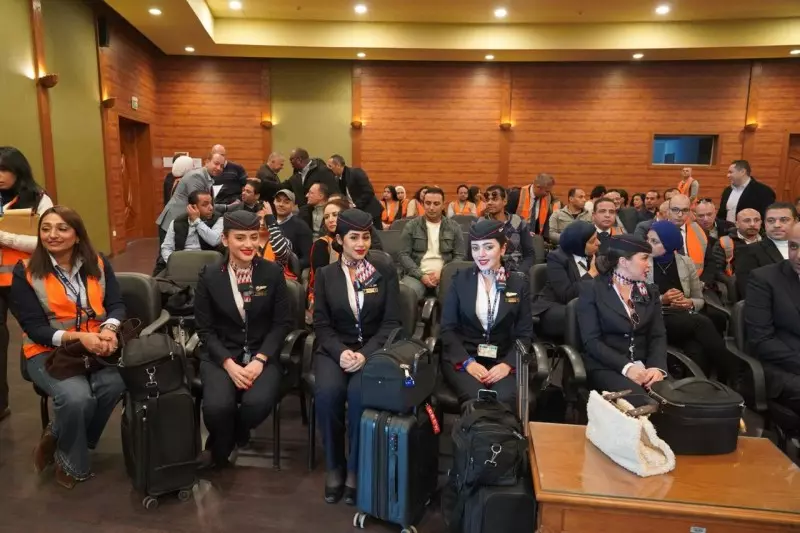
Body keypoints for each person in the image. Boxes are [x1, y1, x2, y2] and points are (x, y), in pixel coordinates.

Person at [11, 206, 125, 488]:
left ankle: (57, 432)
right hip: (46, 350)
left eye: (62, 228)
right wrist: (78, 338)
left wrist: (109, 329)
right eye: (46, 228)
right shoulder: (25, 271)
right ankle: (72, 463)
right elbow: (34, 328)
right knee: (77, 399)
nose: (52, 235)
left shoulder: (98, 263)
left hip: (94, 347)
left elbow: (116, 304)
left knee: (114, 384)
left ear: (77, 235)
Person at [313, 209, 402, 505]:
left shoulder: (383, 270)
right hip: (335, 349)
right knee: (327, 395)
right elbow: (321, 325)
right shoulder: (326, 275)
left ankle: (355, 468)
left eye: (365, 237)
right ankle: (335, 465)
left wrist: (364, 355)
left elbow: (392, 323)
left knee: (359, 397)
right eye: (354, 238)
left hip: (373, 350)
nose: (361, 244)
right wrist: (341, 352)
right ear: (340, 240)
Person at [193, 210, 292, 468]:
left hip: (263, 353)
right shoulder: (209, 275)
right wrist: (228, 363)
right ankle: (229, 439)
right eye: (240, 238)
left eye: (253, 237)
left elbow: (281, 324)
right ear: (225, 240)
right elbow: (205, 330)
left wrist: (260, 359)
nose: (249, 244)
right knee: (216, 408)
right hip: (221, 355)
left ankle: (223, 444)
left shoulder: (272, 273)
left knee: (257, 404)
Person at [440, 219, 532, 407]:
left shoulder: (518, 284)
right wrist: (468, 363)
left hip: (502, 358)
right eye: (475, 248)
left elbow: (525, 334)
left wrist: (507, 365)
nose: (480, 254)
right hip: (465, 357)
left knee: (503, 400)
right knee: (477, 399)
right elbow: (447, 329)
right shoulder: (460, 280)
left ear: (503, 248)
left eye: (488, 247)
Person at [577, 235, 666, 404]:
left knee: (673, 402)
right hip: (607, 366)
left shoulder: (650, 291)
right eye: (644, 258)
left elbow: (658, 335)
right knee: (645, 404)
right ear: (624, 262)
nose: (649, 264)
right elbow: (591, 341)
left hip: (645, 366)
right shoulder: (592, 290)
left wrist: (656, 367)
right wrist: (627, 367)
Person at [0, 146, 55, 423]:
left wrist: (4, 238)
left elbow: (47, 241)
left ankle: (58, 387)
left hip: (24, 279)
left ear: (17, 170)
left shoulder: (39, 199)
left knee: (40, 333)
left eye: (3, 170)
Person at [646, 221, 732, 376]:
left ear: (669, 243)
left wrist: (689, 303)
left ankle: (700, 387)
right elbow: (638, 300)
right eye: (648, 239)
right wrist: (663, 299)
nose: (648, 245)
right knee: (702, 323)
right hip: (657, 317)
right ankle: (733, 373)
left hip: (684, 317)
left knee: (696, 348)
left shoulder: (685, 262)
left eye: (654, 241)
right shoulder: (643, 263)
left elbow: (699, 298)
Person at [745, 223, 800, 418]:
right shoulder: (764, 279)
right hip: (784, 367)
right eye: (793, 246)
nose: (798, 256)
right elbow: (762, 340)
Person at [532, 221, 599, 338]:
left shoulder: (594, 256)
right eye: (592, 241)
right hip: (554, 305)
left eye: (597, 238)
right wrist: (591, 274)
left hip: (584, 303)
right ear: (578, 243)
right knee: (586, 314)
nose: (598, 243)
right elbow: (566, 295)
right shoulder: (556, 258)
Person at [156, 150, 237, 244]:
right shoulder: (197, 176)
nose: (219, 168)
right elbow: (200, 204)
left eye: (222, 166)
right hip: (173, 222)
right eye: (216, 163)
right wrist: (226, 209)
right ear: (207, 162)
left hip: (183, 222)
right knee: (167, 252)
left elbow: (205, 205)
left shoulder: (206, 176)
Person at [398, 187, 465, 299]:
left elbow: (460, 256)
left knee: (451, 296)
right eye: (428, 203)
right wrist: (421, 275)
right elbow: (403, 255)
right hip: (415, 277)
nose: (431, 208)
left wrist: (443, 273)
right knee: (406, 295)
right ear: (423, 204)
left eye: (436, 204)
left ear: (443, 205)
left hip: (445, 276)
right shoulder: (411, 226)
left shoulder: (454, 227)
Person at [735, 202, 797, 298]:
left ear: (796, 222)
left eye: (784, 220)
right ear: (764, 223)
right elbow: (750, 292)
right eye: (771, 220)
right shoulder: (748, 251)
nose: (777, 225)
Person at [157, 190, 223, 274]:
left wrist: (197, 221)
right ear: (192, 207)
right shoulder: (177, 222)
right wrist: (174, 264)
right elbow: (166, 248)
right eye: (205, 205)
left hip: (207, 266)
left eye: (211, 203)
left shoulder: (219, 219)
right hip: (181, 265)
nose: (211, 208)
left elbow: (214, 241)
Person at [482, 185, 535, 272]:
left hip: (516, 271)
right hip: (488, 272)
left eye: (494, 199)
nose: (489, 203)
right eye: (487, 200)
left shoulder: (518, 221)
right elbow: (473, 256)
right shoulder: (480, 224)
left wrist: (520, 273)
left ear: (504, 201)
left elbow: (529, 254)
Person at [308, 199, 348, 311]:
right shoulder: (321, 244)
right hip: (329, 300)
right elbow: (322, 283)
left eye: (335, 215)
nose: (330, 220)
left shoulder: (357, 241)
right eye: (326, 217)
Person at [666, 194, 715, 282]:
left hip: (697, 282)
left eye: (685, 210)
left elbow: (710, 263)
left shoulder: (699, 231)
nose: (680, 214)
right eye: (675, 210)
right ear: (668, 211)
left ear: (690, 212)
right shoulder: (655, 232)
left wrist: (703, 283)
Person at [326, 155, 383, 229]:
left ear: (338, 165)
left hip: (371, 211)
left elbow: (369, 192)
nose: (328, 169)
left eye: (330, 166)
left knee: (375, 234)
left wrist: (355, 205)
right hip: (357, 212)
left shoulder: (356, 172)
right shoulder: (337, 179)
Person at [712, 208, 761, 277]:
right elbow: (716, 271)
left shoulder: (768, 242)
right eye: (747, 220)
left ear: (761, 222)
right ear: (737, 224)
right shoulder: (724, 242)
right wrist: (731, 281)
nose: (752, 224)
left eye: (756, 220)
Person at [273, 189, 313, 271]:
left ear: (294, 206)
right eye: (278, 201)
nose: (281, 204)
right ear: (273, 202)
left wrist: (289, 267)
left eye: (286, 202)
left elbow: (308, 258)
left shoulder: (301, 226)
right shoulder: (267, 223)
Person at [516, 173, 560, 237]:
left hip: (536, 235)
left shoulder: (548, 197)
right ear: (538, 187)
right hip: (518, 234)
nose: (548, 194)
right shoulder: (517, 194)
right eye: (547, 191)